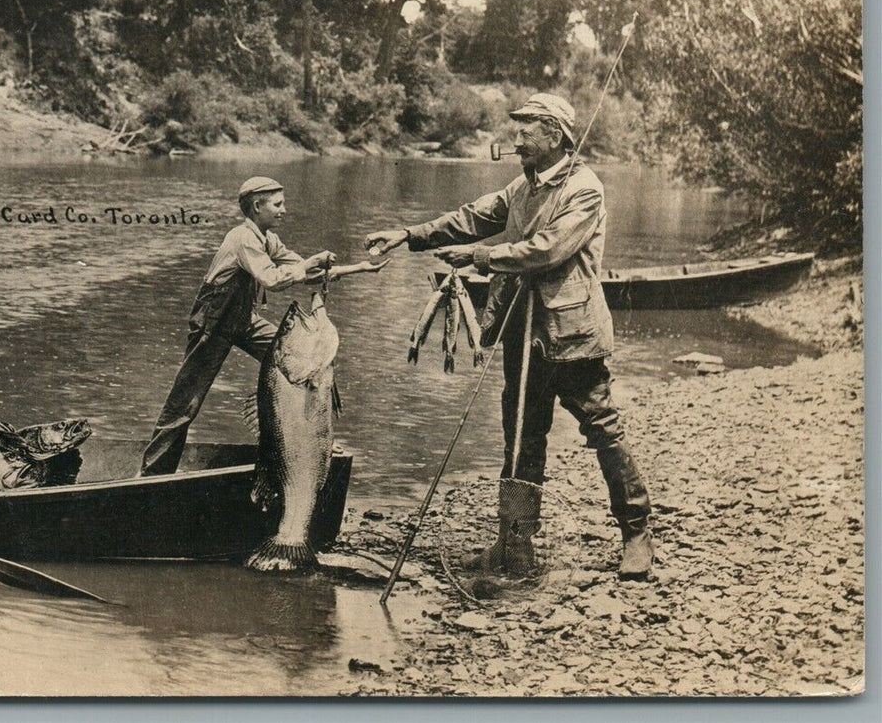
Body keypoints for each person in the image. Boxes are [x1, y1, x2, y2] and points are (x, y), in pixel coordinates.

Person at [366, 93, 654, 580]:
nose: (517, 138)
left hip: (572, 334)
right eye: (517, 128)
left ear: (556, 136)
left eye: (527, 129)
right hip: (523, 331)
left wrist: (479, 257)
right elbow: (472, 218)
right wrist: (409, 235)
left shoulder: (585, 189)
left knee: (603, 430)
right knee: (520, 436)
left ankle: (637, 534)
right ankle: (515, 544)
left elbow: (545, 252)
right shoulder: (523, 187)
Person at [139, 177, 337, 477]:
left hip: (243, 318)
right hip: (214, 321)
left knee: (305, 360)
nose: (284, 210)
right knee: (186, 401)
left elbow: (301, 268)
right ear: (257, 206)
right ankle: (153, 474)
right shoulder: (243, 237)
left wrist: (348, 268)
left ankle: (306, 443)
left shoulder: (267, 237)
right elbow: (272, 279)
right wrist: (307, 266)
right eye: (278, 204)